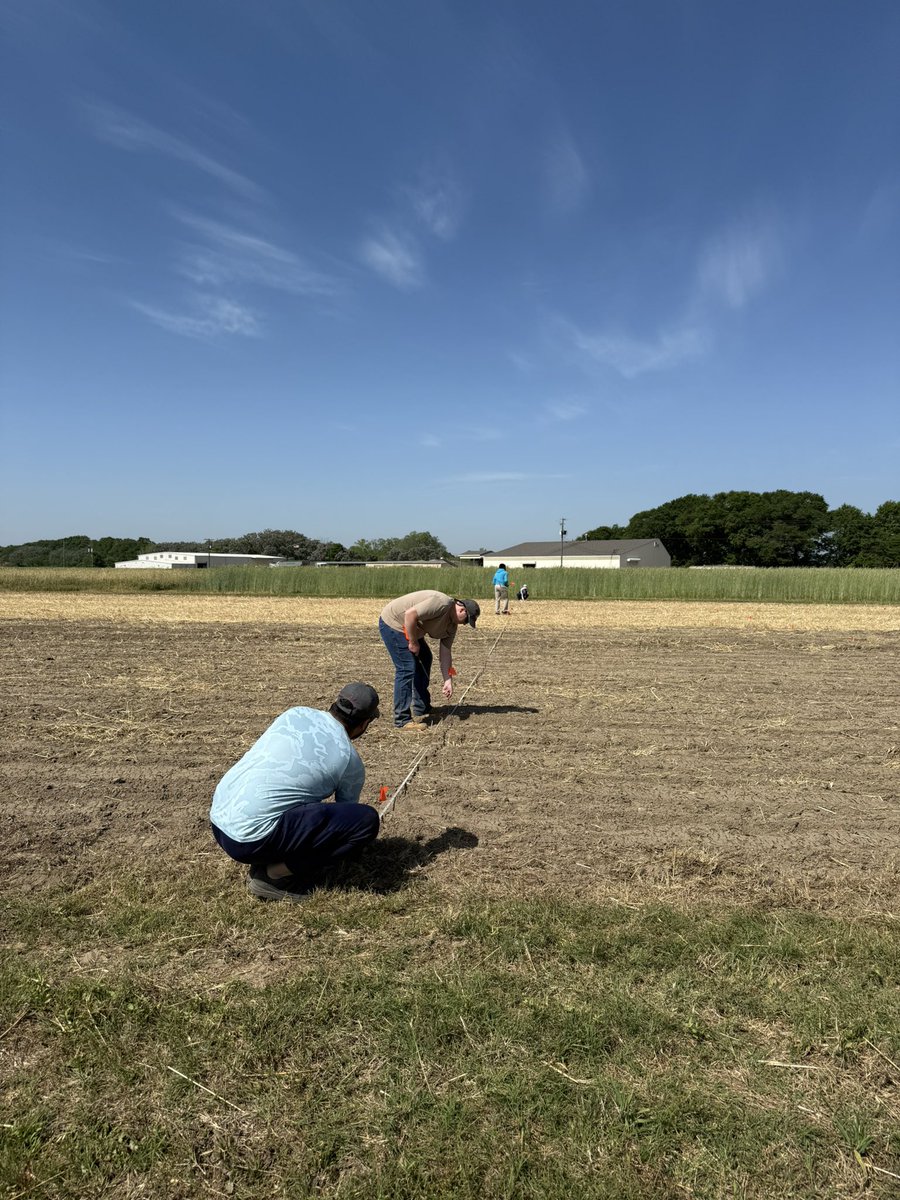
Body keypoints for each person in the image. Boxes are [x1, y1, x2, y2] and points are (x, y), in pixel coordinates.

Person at [210, 682, 381, 903]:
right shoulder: (349, 758)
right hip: (248, 841)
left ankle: (270, 849)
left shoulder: (295, 713)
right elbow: (346, 818)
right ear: (364, 724)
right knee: (365, 820)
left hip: (218, 820)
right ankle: (273, 876)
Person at [379, 591, 480, 731]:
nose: (464, 624)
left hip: (412, 628)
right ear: (461, 609)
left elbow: (445, 652)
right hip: (394, 623)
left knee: (426, 657)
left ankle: (422, 707)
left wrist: (448, 680)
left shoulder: (451, 626)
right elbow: (409, 614)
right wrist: (413, 643)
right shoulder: (442, 603)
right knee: (406, 667)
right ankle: (402, 719)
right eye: (465, 620)